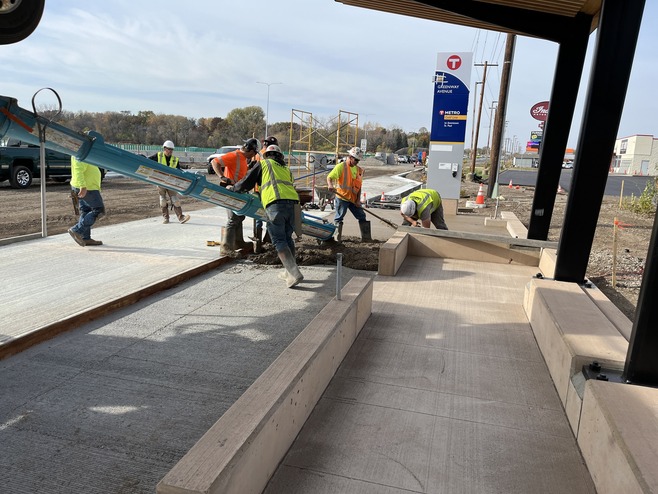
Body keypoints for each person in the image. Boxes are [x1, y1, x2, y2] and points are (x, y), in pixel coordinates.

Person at [233, 144, 304, 288]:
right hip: (293, 206)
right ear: (280, 157)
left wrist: (234, 188)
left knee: (278, 240)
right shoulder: (286, 170)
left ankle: (294, 273)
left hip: (275, 204)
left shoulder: (264, 164)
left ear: (267, 155)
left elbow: (246, 182)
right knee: (287, 237)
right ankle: (288, 271)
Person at [211, 138, 260, 251]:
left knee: (239, 216)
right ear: (250, 150)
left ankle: (238, 242)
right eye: (253, 154)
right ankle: (226, 247)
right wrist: (222, 177)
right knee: (233, 218)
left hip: (238, 191)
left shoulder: (242, 158)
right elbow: (215, 162)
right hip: (231, 191)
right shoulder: (235, 155)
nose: (253, 156)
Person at [326, 146, 371, 242]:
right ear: (350, 157)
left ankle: (366, 238)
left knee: (362, 216)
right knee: (339, 217)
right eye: (355, 160)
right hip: (342, 197)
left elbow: (359, 187)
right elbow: (329, 177)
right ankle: (336, 239)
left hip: (353, 199)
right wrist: (330, 185)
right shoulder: (341, 167)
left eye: (358, 160)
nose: (357, 162)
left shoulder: (359, 170)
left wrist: (358, 200)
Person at [149, 140, 190, 224]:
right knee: (163, 200)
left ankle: (181, 217)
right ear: (164, 148)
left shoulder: (175, 160)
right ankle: (166, 218)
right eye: (169, 149)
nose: (170, 151)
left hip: (171, 183)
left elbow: (178, 170)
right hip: (160, 182)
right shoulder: (158, 156)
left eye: (172, 149)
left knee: (175, 200)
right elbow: (147, 160)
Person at [68, 156, 105, 247]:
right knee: (99, 210)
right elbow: (78, 170)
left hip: (86, 186)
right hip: (88, 188)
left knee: (86, 211)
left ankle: (86, 238)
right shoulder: (80, 153)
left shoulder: (83, 152)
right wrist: (83, 186)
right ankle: (77, 230)